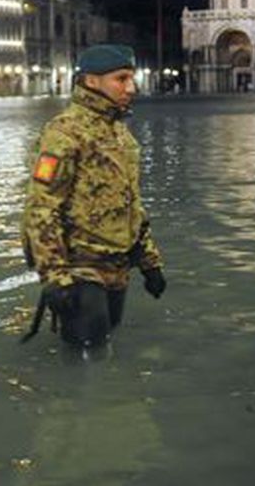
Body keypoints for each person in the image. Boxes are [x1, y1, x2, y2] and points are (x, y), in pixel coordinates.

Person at [21, 44, 167, 348]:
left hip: (117, 265)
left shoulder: (120, 134)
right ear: (91, 81)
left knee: (106, 342)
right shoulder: (63, 133)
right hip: (79, 267)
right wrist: (55, 278)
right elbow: (41, 207)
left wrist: (149, 262)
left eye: (131, 78)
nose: (132, 87)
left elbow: (131, 204)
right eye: (121, 78)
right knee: (88, 353)